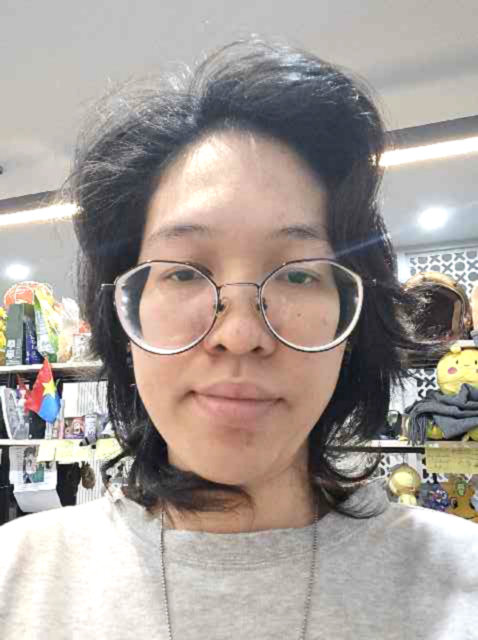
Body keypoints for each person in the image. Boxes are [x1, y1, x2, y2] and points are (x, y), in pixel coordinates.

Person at [1, 38, 477, 640]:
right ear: (123, 321)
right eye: (182, 272)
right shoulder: (17, 580)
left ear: (352, 325)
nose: (240, 334)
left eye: (299, 274)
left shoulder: (460, 586)